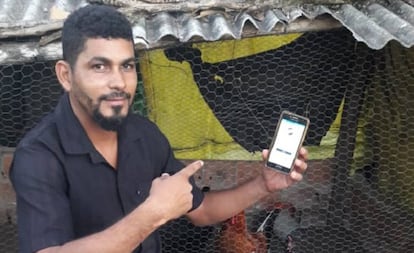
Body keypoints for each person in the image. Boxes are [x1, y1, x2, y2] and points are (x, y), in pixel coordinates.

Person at [10, 4, 308, 253]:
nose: (119, 82)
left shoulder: (144, 135)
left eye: (127, 66)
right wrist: (153, 213)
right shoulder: (38, 156)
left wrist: (263, 184)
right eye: (99, 66)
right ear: (66, 75)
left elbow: (202, 211)